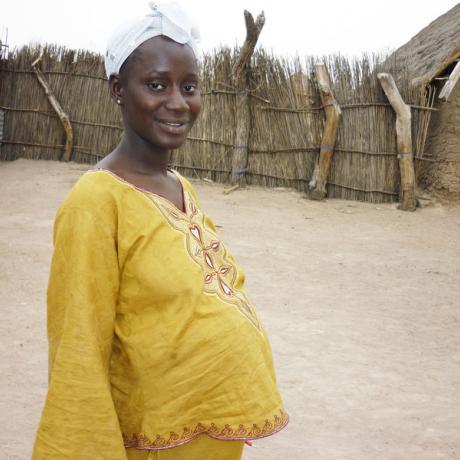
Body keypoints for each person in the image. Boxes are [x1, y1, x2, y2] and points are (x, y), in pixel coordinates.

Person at [32, 2, 288, 459]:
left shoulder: (181, 187)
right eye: (156, 85)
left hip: (210, 436)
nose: (178, 102)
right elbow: (78, 347)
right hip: (156, 442)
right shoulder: (95, 202)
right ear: (118, 89)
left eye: (189, 87)